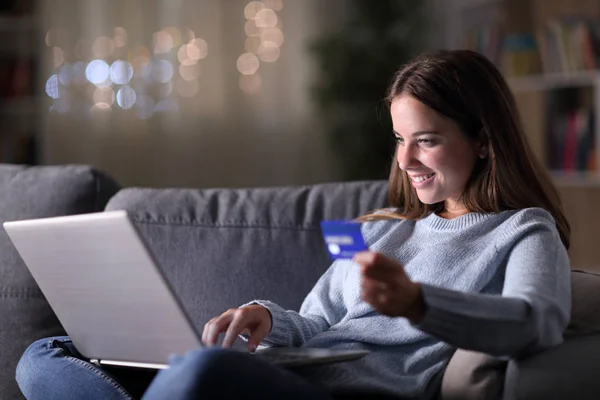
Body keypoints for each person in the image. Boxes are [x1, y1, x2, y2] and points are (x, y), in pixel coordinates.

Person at [16, 49, 571, 400]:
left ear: (482, 140)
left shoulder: (522, 230)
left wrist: (418, 303)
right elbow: (314, 323)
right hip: (280, 372)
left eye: (426, 140)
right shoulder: (377, 228)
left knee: (202, 374)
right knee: (47, 355)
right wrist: (263, 317)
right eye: (401, 140)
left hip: (342, 393)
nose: (405, 161)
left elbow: (537, 324)